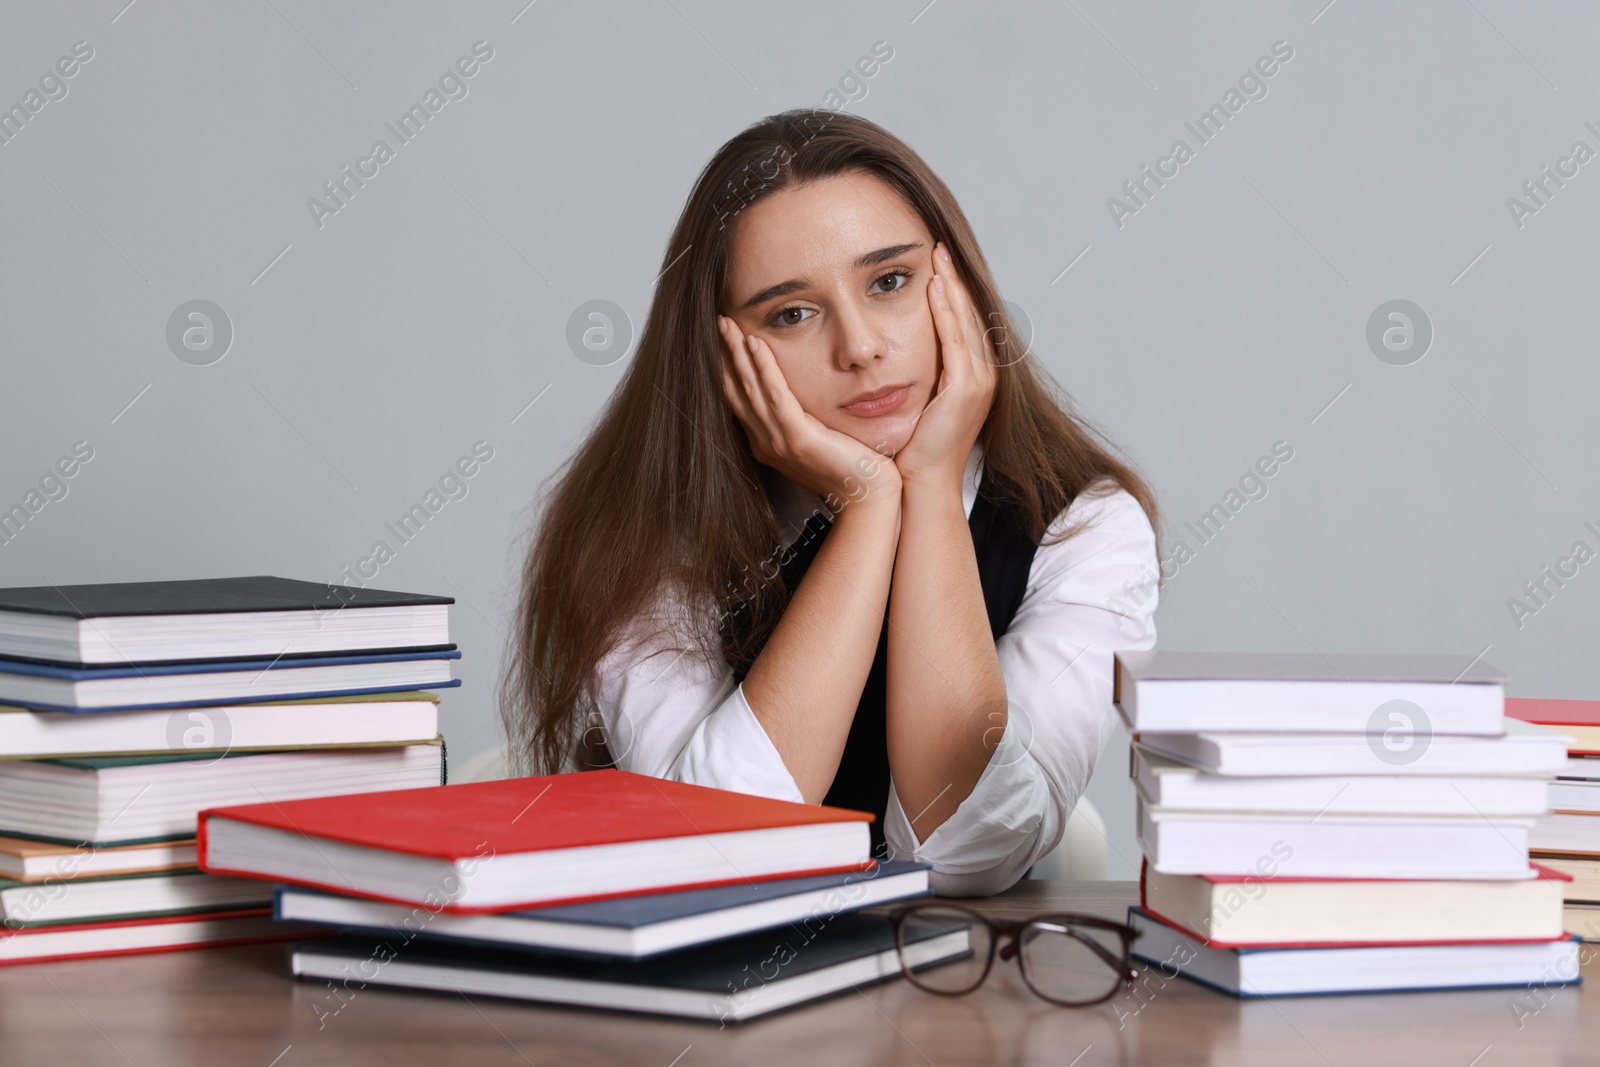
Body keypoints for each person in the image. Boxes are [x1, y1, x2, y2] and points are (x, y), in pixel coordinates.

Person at [502, 109, 1162, 895]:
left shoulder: (1084, 526)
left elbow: (972, 852)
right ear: (721, 354)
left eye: (889, 281)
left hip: (979, 1003)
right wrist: (869, 504)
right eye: (792, 313)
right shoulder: (647, 535)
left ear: (956, 286)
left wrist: (930, 492)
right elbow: (721, 848)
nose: (861, 347)